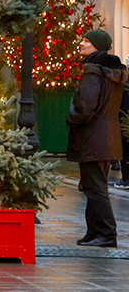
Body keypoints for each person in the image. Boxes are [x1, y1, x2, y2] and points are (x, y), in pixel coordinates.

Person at [67, 28, 127, 248]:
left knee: (95, 188)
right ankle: (93, 231)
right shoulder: (113, 72)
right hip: (107, 138)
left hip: (92, 138)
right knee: (94, 186)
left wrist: (71, 116)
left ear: (97, 46)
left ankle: (107, 233)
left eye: (86, 41)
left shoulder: (93, 72)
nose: (81, 44)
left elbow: (85, 108)